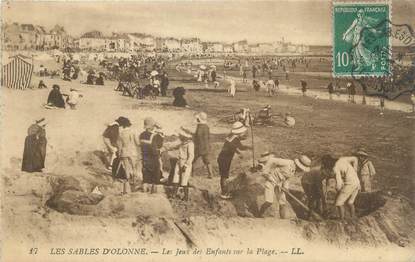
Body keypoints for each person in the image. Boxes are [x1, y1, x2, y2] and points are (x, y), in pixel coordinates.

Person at [256, 153, 311, 218]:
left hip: (279, 184)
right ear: (299, 165)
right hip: (271, 180)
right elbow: (272, 160)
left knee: (282, 203)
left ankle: (283, 220)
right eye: (301, 168)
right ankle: (258, 215)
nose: (301, 170)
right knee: (269, 201)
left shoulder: (294, 170)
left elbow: (287, 179)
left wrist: (285, 188)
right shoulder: (287, 162)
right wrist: (265, 172)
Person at [217, 121, 251, 199]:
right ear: (239, 132)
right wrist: (246, 149)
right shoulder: (235, 139)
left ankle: (224, 191)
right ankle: (224, 193)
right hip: (225, 159)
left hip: (223, 158)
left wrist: (239, 152)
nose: (243, 134)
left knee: (224, 176)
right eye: (242, 133)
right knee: (224, 176)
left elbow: (232, 146)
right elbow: (239, 147)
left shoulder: (230, 136)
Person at [321, 155, 360, 220]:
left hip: (350, 184)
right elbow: (355, 158)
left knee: (339, 203)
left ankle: (342, 220)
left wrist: (338, 192)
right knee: (350, 202)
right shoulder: (342, 159)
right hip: (357, 182)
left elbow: (339, 184)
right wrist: (355, 170)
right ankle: (353, 218)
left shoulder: (335, 168)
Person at [165, 127, 195, 201]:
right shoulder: (182, 143)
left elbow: (191, 156)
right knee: (176, 178)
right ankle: (174, 194)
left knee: (184, 180)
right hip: (179, 162)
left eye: (181, 135)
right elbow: (174, 146)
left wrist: (186, 165)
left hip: (185, 163)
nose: (180, 136)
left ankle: (186, 197)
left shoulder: (190, 144)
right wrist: (166, 147)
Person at [115, 117, 140, 193]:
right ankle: (135, 185)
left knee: (127, 169)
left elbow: (119, 145)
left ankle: (127, 187)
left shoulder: (121, 133)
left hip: (124, 152)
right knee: (134, 168)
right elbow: (137, 143)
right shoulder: (134, 132)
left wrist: (119, 154)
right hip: (133, 152)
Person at [139, 117, 164, 193]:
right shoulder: (155, 136)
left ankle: (144, 194)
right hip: (154, 159)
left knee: (145, 179)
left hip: (145, 158)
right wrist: (160, 130)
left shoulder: (142, 135)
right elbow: (160, 145)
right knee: (155, 180)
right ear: (153, 126)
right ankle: (154, 196)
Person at [193, 112, 214, 179]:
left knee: (192, 160)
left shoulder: (199, 127)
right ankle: (210, 174)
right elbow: (208, 137)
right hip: (206, 146)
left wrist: (194, 139)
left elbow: (198, 136)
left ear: (199, 119)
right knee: (207, 161)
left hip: (199, 146)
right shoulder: (206, 127)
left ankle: (192, 174)